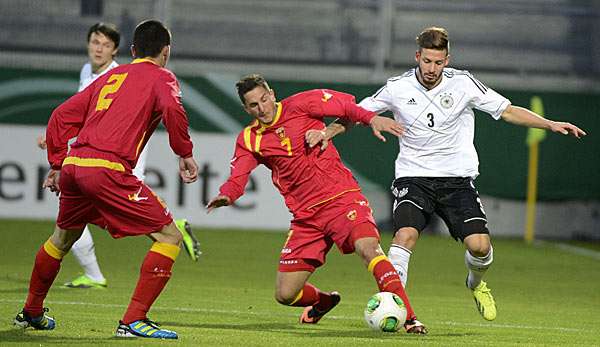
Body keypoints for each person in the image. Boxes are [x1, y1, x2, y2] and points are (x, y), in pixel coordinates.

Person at [307, 26, 587, 322]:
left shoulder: (464, 83)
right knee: (404, 236)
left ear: (447, 60)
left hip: (456, 180)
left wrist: (550, 123)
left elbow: (506, 110)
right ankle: (397, 308)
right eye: (427, 61)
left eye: (438, 62)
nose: (432, 68)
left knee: (480, 247)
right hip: (413, 177)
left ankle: (476, 283)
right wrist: (327, 132)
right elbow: (356, 113)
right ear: (418, 56)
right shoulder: (397, 87)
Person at [15, 20, 199, 339]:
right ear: (166, 51)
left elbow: (60, 116)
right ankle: (133, 320)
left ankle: (31, 311)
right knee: (170, 236)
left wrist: (57, 164)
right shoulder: (162, 76)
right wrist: (184, 152)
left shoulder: (110, 76)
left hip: (75, 166)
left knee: (61, 239)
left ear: (131, 50)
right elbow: (172, 107)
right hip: (107, 169)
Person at [206, 74, 427, 334]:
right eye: (254, 105)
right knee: (285, 293)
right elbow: (238, 177)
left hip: (341, 199)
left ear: (272, 94)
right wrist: (227, 195)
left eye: (264, 99)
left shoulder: (302, 104)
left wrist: (371, 119)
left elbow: (347, 108)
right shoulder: (250, 139)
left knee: (368, 248)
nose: (262, 108)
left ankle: (410, 319)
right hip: (306, 217)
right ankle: (324, 301)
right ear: (246, 109)